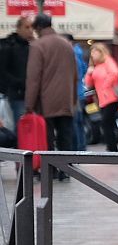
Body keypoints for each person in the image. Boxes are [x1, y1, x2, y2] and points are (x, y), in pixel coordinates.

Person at [23, 14, 78, 159]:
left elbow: (34, 78)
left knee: (47, 137)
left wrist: (29, 104)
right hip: (66, 98)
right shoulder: (66, 44)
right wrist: (73, 99)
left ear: (39, 27)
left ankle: (51, 169)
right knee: (65, 135)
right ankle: (66, 169)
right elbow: (75, 74)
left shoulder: (37, 45)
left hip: (46, 100)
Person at [85, 41, 118, 153]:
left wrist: (106, 86)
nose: (93, 55)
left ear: (101, 52)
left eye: (95, 52)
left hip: (111, 98)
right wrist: (89, 73)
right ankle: (111, 146)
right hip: (102, 100)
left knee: (106, 123)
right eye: (92, 53)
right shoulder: (95, 66)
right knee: (107, 123)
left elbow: (115, 73)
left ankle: (112, 148)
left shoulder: (108, 61)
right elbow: (89, 84)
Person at [0, 15, 35, 127]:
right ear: (18, 28)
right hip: (17, 93)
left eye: (32, 27)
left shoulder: (30, 46)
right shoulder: (9, 46)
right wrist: (19, 83)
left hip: (30, 93)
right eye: (27, 27)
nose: (30, 30)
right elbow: (3, 70)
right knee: (20, 126)